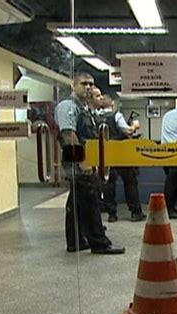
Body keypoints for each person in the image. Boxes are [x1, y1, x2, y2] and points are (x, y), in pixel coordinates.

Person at [54, 72, 125, 254]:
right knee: (90, 199)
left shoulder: (84, 108)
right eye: (84, 84)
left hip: (85, 160)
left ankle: (76, 241)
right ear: (74, 85)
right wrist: (82, 162)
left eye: (91, 84)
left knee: (76, 202)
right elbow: (68, 134)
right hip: (78, 161)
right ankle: (100, 243)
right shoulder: (68, 106)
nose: (88, 87)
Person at [98, 94, 145, 223]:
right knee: (130, 182)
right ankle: (136, 212)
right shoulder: (116, 116)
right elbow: (128, 132)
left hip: (105, 155)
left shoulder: (95, 117)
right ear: (112, 104)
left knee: (108, 184)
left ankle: (112, 214)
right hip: (121, 153)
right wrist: (135, 126)